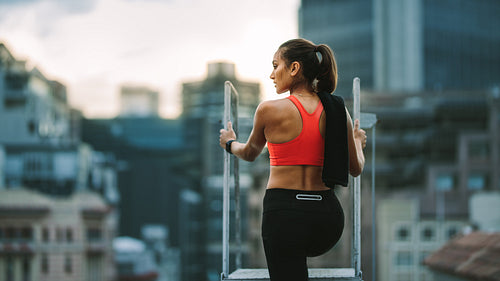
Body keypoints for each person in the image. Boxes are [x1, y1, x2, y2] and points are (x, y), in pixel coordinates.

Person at [219, 38, 367, 281]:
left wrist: (229, 142)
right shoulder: (339, 109)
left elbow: (249, 153)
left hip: (284, 214)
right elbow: (356, 168)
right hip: (327, 218)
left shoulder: (268, 110)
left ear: (294, 68)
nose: (271, 74)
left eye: (276, 65)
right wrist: (358, 143)